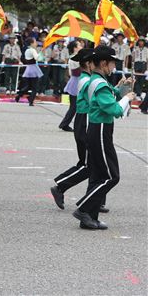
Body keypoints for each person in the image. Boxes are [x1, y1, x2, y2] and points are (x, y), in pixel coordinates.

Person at [72, 46, 135, 230]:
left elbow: (110, 95)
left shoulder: (98, 80)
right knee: (111, 176)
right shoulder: (99, 83)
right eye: (112, 63)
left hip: (98, 129)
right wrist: (127, 98)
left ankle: (90, 217)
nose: (114, 66)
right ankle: (84, 209)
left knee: (99, 175)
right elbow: (114, 110)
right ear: (103, 63)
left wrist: (121, 88)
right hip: (100, 130)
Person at [51, 48, 103, 209]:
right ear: (88, 64)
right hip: (86, 122)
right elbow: (98, 100)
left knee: (92, 163)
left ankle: (95, 198)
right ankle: (61, 186)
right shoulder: (86, 80)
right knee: (88, 165)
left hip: (83, 121)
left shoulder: (86, 78)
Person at [57, 41, 83, 132]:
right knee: (74, 106)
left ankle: (65, 124)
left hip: (77, 81)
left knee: (75, 106)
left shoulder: (77, 57)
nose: (81, 46)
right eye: (79, 45)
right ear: (75, 48)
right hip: (75, 82)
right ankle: (64, 124)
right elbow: (75, 72)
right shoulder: (74, 58)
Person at [15, 38, 42, 106]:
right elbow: (37, 58)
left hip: (29, 68)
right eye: (35, 42)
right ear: (31, 43)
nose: (36, 43)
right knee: (35, 87)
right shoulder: (33, 50)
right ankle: (31, 100)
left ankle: (19, 96)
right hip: (33, 69)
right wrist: (41, 52)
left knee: (28, 86)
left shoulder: (27, 50)